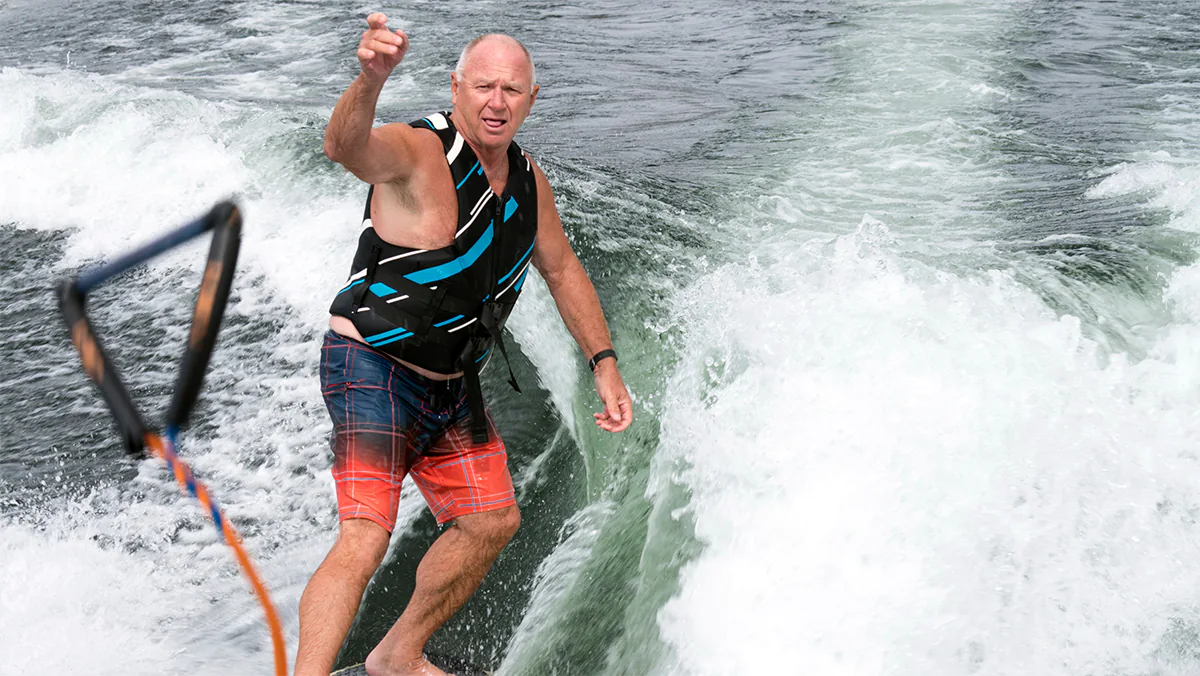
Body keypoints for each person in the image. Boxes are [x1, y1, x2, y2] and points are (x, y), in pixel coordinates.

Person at [295, 12, 634, 676]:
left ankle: (396, 656)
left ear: (531, 99)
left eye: (512, 89)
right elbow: (346, 148)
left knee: (491, 522)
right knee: (364, 538)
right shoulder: (422, 151)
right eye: (484, 86)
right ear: (456, 88)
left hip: (450, 385)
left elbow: (563, 269)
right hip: (372, 365)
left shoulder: (528, 182)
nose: (496, 102)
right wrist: (370, 81)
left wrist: (604, 363)